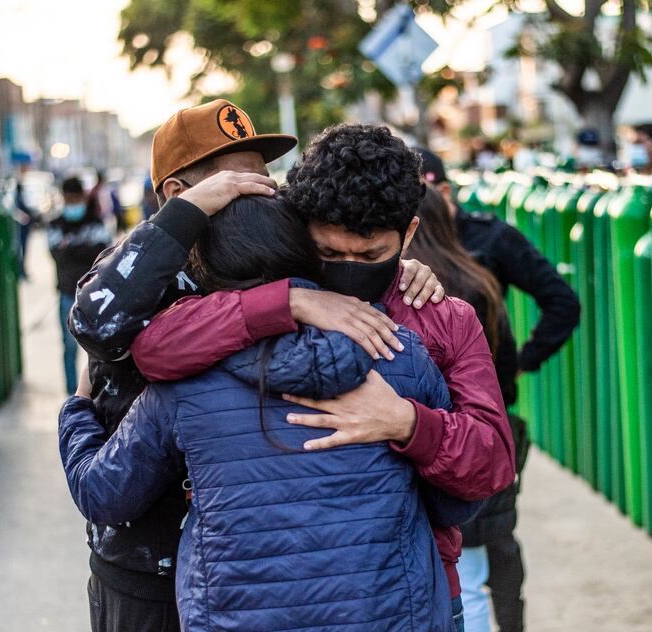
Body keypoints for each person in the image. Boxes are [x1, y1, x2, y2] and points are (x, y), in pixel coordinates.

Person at [65, 100, 446, 632]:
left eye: (264, 178)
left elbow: (351, 257)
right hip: (147, 569)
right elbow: (97, 322)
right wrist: (274, 299)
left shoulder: (278, 257)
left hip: (241, 577)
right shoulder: (140, 267)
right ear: (180, 196)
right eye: (235, 184)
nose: (265, 192)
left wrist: (399, 269)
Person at [124, 124, 518, 631]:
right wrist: (285, 301)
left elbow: (492, 464)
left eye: (371, 256)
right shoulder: (259, 289)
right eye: (329, 254)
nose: (350, 269)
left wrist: (407, 423)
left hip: (414, 599)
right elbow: (156, 347)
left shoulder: (441, 317)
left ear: (409, 234)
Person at [416, 148, 580, 632]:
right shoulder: (397, 264)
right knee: (470, 558)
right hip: (441, 428)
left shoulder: (487, 243)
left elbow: (561, 302)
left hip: (481, 420)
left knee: (488, 552)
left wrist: (521, 364)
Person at [407, 186, 529, 632]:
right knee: (484, 569)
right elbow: (509, 363)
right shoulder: (475, 280)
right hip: (480, 438)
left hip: (438, 461)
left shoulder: (397, 299)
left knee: (468, 581)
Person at [47, 177, 111, 394]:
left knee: (97, 347)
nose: (73, 203)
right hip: (67, 293)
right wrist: (84, 248)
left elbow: (102, 252)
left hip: (94, 294)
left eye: (77, 198)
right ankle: (72, 394)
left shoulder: (95, 221)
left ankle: (96, 392)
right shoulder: (56, 223)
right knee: (68, 346)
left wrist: (71, 248)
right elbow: (57, 254)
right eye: (69, 199)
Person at [13, 161, 38, 278]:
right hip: (20, 227)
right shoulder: (16, 192)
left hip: (25, 226)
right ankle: (21, 270)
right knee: (21, 249)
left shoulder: (23, 190)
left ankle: (22, 269)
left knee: (24, 249)